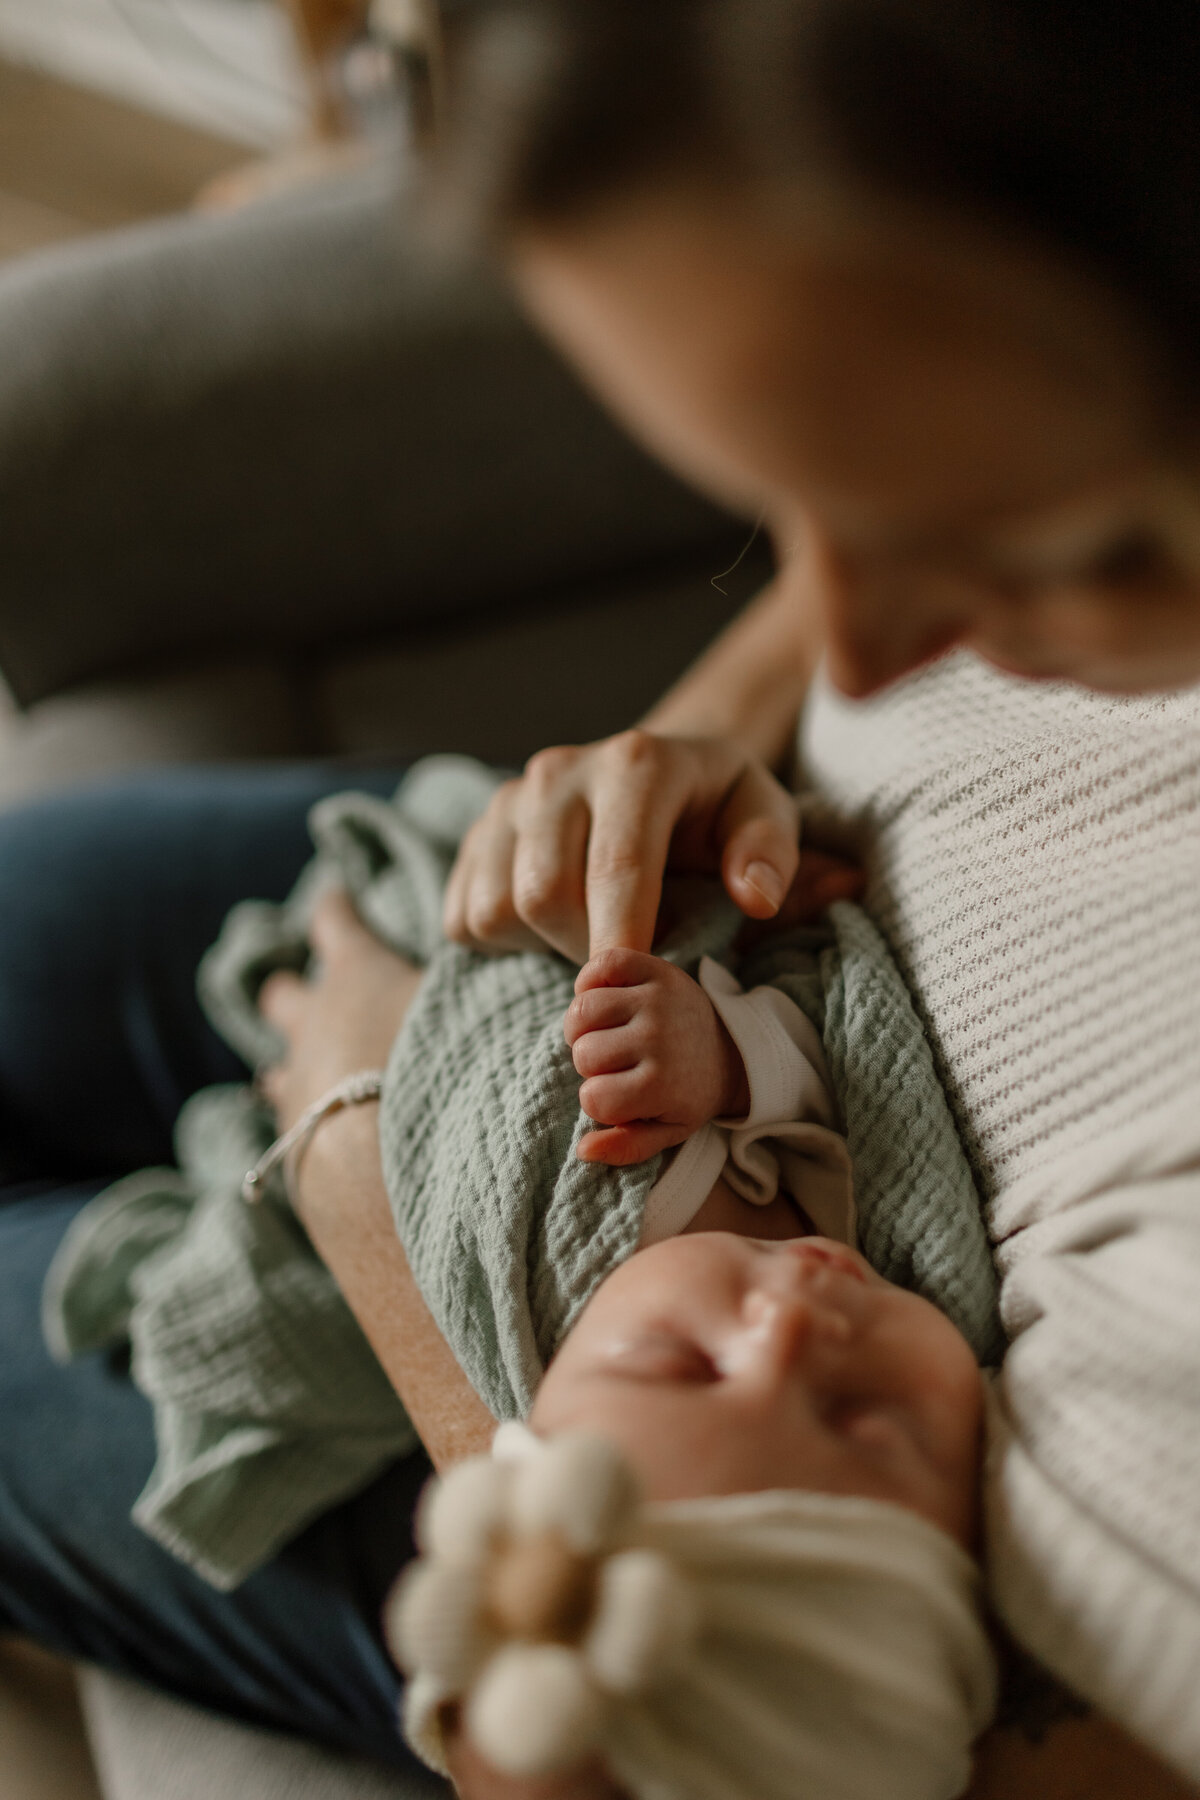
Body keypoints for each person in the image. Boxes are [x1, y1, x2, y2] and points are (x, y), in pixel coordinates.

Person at [2, 2, 1199, 1795]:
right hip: (599, 916)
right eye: (799, 498)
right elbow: (851, 612)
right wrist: (702, 729)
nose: (859, 645)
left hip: (655, 1511)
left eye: (1064, 548)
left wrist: (373, 1185)